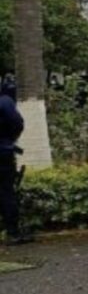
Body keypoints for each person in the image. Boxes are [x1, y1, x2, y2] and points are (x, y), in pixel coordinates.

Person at [0, 80, 30, 245]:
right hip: (3, 152)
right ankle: (13, 232)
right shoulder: (5, 101)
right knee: (6, 191)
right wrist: (9, 140)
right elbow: (17, 123)